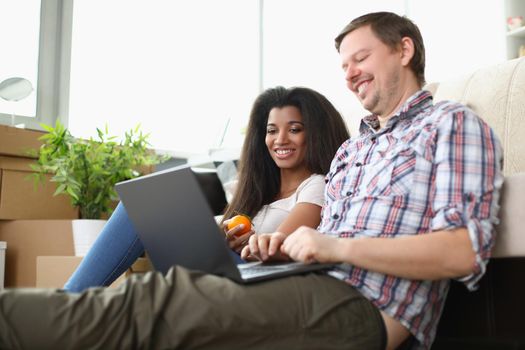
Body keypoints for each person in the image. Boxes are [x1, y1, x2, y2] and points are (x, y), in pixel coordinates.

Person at [0, 12, 503, 350]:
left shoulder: (451, 125)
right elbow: (314, 243)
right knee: (173, 289)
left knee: (156, 303)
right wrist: (278, 249)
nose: (349, 73)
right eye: (344, 65)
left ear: (405, 51)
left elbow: (462, 252)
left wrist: (332, 248)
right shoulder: (354, 149)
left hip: (366, 308)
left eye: (361, 58)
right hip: (308, 282)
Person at [63, 85, 350, 292]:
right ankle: (69, 303)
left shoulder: (317, 185)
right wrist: (223, 234)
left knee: (147, 206)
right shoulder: (263, 193)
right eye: (272, 130)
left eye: (295, 129)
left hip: (261, 282)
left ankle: (65, 303)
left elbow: (280, 247)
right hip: (233, 271)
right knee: (140, 206)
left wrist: (249, 241)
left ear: (316, 133)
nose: (280, 139)